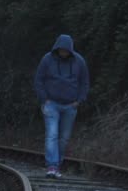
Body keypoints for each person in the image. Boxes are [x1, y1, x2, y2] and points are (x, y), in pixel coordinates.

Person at [34, 34, 90, 178]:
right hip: (51, 104)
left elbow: (84, 82)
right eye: (61, 50)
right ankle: (51, 166)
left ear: (70, 50)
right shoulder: (47, 59)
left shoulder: (79, 62)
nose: (63, 52)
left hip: (70, 105)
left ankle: (57, 165)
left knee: (64, 137)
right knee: (52, 134)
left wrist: (79, 101)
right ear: (57, 48)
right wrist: (44, 99)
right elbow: (38, 79)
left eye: (66, 50)